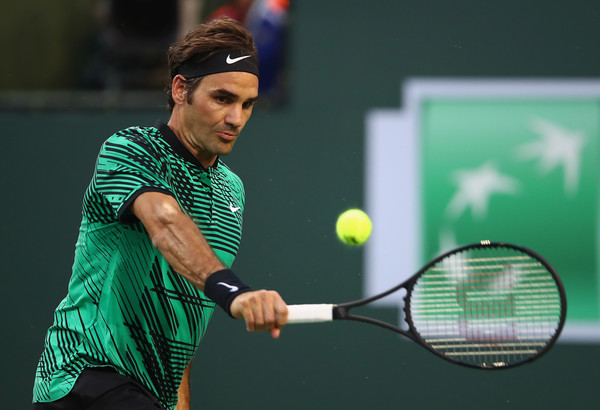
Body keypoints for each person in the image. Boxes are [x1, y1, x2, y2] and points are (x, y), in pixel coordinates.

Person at [33, 16, 288, 410]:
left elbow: (182, 317)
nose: (236, 118)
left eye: (247, 104)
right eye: (223, 98)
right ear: (180, 89)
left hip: (149, 394)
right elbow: (165, 223)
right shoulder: (130, 148)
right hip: (87, 375)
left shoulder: (231, 191)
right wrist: (233, 291)